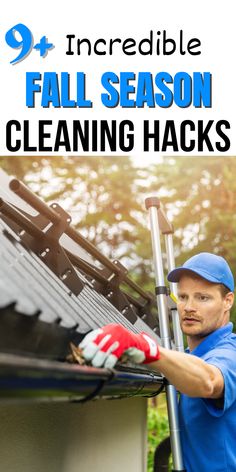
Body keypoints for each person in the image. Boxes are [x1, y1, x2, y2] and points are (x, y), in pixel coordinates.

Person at [79, 252, 236, 472]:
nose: (189, 307)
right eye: (183, 297)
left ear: (228, 301)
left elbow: (209, 380)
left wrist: (147, 349)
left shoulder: (230, 353)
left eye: (203, 298)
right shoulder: (192, 357)